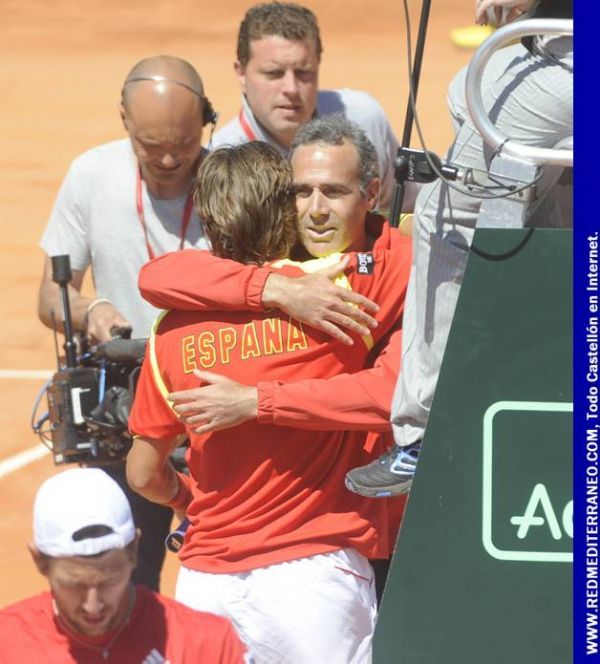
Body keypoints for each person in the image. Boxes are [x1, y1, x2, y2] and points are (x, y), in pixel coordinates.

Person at [127, 134, 412, 663]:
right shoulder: (340, 290)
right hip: (313, 575)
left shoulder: (170, 328)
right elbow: (393, 392)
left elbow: (144, 473)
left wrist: (188, 501)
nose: (316, 209)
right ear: (284, 208)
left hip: (203, 579)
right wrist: (278, 291)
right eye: (302, 194)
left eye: (332, 192)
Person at [345, 0, 573, 497]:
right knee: (464, 91)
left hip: (574, 57)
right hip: (564, 45)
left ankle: (421, 431)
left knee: (441, 216)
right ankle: (547, 323)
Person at [36, 55, 216, 590]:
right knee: (125, 581)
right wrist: (91, 310)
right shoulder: (91, 173)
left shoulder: (230, 181)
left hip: (214, 406)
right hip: (126, 415)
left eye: (182, 146)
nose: (166, 158)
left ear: (207, 119)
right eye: (149, 145)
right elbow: (50, 293)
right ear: (123, 119)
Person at [0, 467, 250, 663]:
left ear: (134, 551)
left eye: (109, 581)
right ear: (40, 561)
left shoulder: (207, 644)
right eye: (74, 585)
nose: (93, 605)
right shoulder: (5, 646)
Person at [210, 1, 417, 216]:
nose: (291, 88)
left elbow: (408, 209)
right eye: (273, 73)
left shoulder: (363, 118)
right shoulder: (223, 160)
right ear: (241, 74)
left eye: (303, 72)